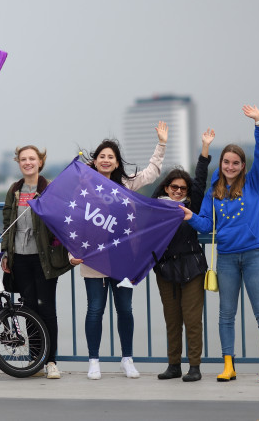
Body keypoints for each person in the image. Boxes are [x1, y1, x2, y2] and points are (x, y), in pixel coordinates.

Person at [181, 105, 259, 383]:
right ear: (220, 164)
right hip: (225, 258)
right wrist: (190, 217)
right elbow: (207, 225)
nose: (231, 166)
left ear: (243, 166)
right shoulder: (214, 191)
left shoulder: (253, 183)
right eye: (226, 162)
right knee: (226, 314)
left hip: (254, 255)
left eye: (236, 163)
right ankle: (228, 365)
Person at [70, 121, 167, 380]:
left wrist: (161, 144)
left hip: (124, 258)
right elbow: (73, 222)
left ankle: (127, 359)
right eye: (101, 156)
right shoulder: (83, 187)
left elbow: (151, 173)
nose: (105, 160)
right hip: (93, 257)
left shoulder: (125, 184)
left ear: (116, 162)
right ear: (95, 160)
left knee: (124, 309)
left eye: (110, 157)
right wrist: (72, 252)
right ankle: (94, 361)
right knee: (95, 309)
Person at [0, 145, 74, 380]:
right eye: (23, 159)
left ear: (40, 162)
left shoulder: (50, 189)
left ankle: (51, 360)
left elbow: (62, 221)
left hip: (44, 260)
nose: (28, 162)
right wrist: (5, 253)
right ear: (18, 162)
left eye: (32, 158)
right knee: (29, 308)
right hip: (19, 258)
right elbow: (6, 223)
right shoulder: (14, 190)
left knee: (47, 309)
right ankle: (35, 358)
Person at [150, 128, 215, 382]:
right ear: (166, 187)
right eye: (174, 187)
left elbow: (200, 180)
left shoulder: (192, 205)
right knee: (172, 319)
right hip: (165, 269)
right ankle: (174, 364)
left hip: (192, 268)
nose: (178, 191)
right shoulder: (156, 208)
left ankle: (195, 366)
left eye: (182, 188)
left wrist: (205, 149)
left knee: (192, 319)